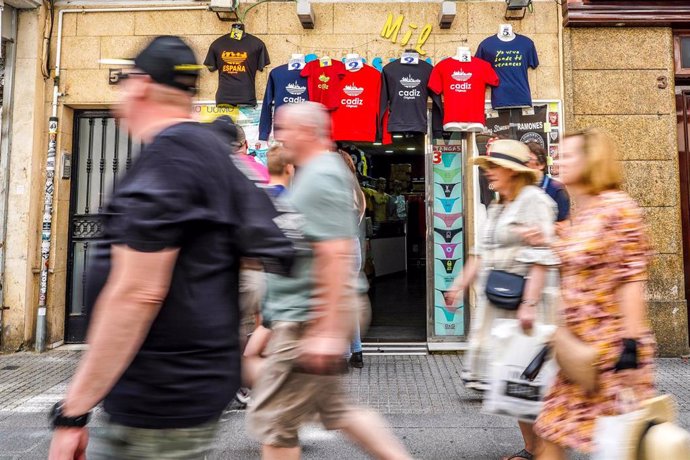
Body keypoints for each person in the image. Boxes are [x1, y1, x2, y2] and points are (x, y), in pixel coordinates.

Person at [47, 36, 294, 460]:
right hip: (193, 391)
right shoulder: (212, 154)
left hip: (155, 403)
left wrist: (74, 412)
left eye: (123, 81)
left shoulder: (169, 161)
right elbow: (268, 242)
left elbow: (137, 294)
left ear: (140, 84)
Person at [247, 102, 411, 460]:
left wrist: (326, 332)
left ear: (307, 131)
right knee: (339, 413)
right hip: (307, 315)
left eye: (284, 128)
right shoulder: (315, 172)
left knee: (278, 425)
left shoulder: (320, 176)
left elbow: (336, 256)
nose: (279, 135)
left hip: (308, 319)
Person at [522, 129, 657, 459]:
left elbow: (631, 279)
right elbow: (582, 258)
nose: (560, 161)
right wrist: (547, 240)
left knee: (616, 447)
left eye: (569, 156)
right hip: (578, 353)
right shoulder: (584, 211)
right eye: (559, 154)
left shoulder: (618, 209)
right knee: (551, 431)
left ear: (591, 161)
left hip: (610, 354)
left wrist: (631, 346)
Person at [445, 139, 558, 460]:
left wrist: (530, 304)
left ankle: (545, 450)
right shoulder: (497, 206)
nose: (488, 173)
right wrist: (457, 286)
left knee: (532, 382)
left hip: (527, 303)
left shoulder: (534, 201)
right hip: (500, 305)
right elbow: (480, 254)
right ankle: (531, 448)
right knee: (512, 380)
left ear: (512, 171)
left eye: (493, 167)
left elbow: (542, 256)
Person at [337, 149, 369, 369]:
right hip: (354, 245)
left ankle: (345, 353)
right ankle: (356, 351)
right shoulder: (357, 190)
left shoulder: (336, 188)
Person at [525, 142, 570, 223]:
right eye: (523, 161)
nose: (525, 164)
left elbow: (565, 224)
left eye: (528, 160)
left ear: (541, 164)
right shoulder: (521, 189)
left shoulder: (557, 189)